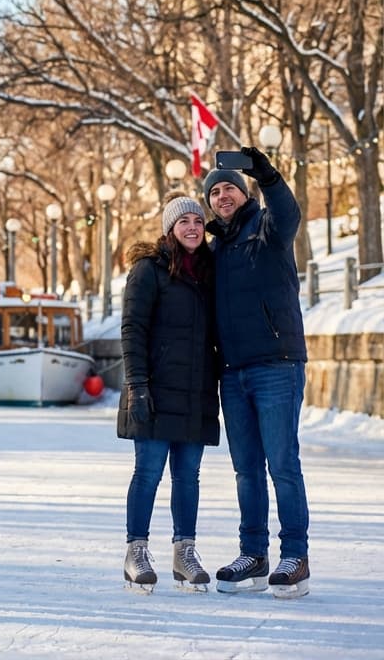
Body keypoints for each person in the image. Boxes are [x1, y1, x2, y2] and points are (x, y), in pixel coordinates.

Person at [204, 147, 311, 598]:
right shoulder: (215, 248)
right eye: (214, 191)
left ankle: (295, 556)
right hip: (233, 372)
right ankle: (253, 554)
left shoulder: (266, 227)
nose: (222, 195)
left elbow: (288, 212)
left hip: (276, 364)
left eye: (229, 187)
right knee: (246, 470)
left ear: (243, 192)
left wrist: (267, 175)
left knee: (282, 465)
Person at [118, 193, 219, 594]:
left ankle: (184, 552)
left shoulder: (211, 272)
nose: (193, 227)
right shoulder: (148, 270)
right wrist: (137, 386)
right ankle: (136, 552)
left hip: (196, 391)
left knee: (188, 476)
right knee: (148, 473)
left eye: (198, 220)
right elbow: (132, 330)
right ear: (170, 229)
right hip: (156, 389)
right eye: (184, 222)